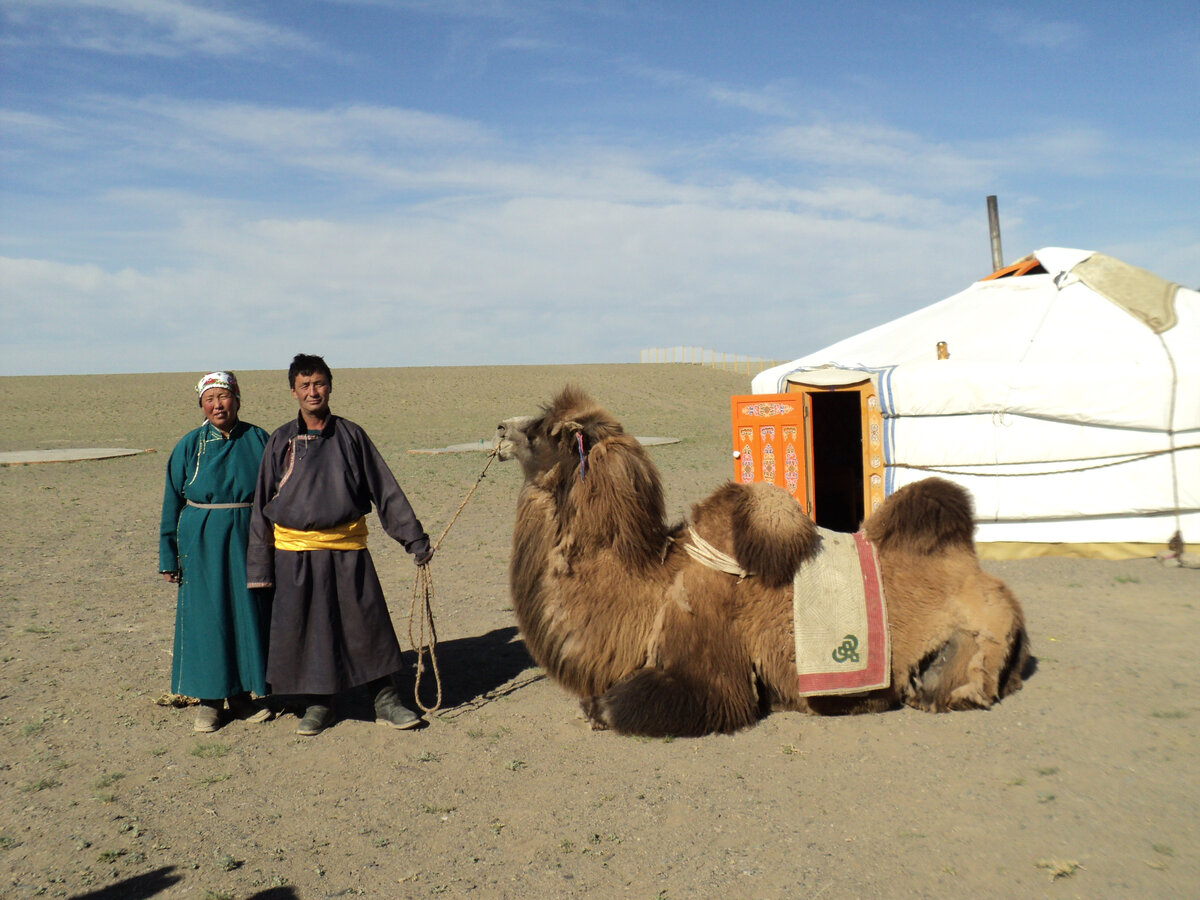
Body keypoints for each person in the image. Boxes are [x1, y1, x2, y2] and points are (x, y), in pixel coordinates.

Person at [247, 354, 433, 736]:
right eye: (304, 385)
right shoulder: (280, 440)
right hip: (295, 554)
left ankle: (385, 699)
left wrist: (413, 538)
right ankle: (319, 704)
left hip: (347, 549)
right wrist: (259, 567)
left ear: (330, 386)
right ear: (293, 391)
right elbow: (261, 508)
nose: (312, 392)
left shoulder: (351, 436)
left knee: (366, 624)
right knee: (310, 628)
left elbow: (385, 491)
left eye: (318, 383)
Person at [160, 371, 273, 732]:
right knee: (208, 619)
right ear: (201, 405)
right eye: (210, 399)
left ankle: (241, 696)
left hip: (248, 536)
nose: (217, 405)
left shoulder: (258, 439)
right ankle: (209, 701)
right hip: (201, 540)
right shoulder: (189, 445)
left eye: (224, 397)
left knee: (245, 614)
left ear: (237, 401)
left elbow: (278, 494)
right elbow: (171, 502)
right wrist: (169, 554)